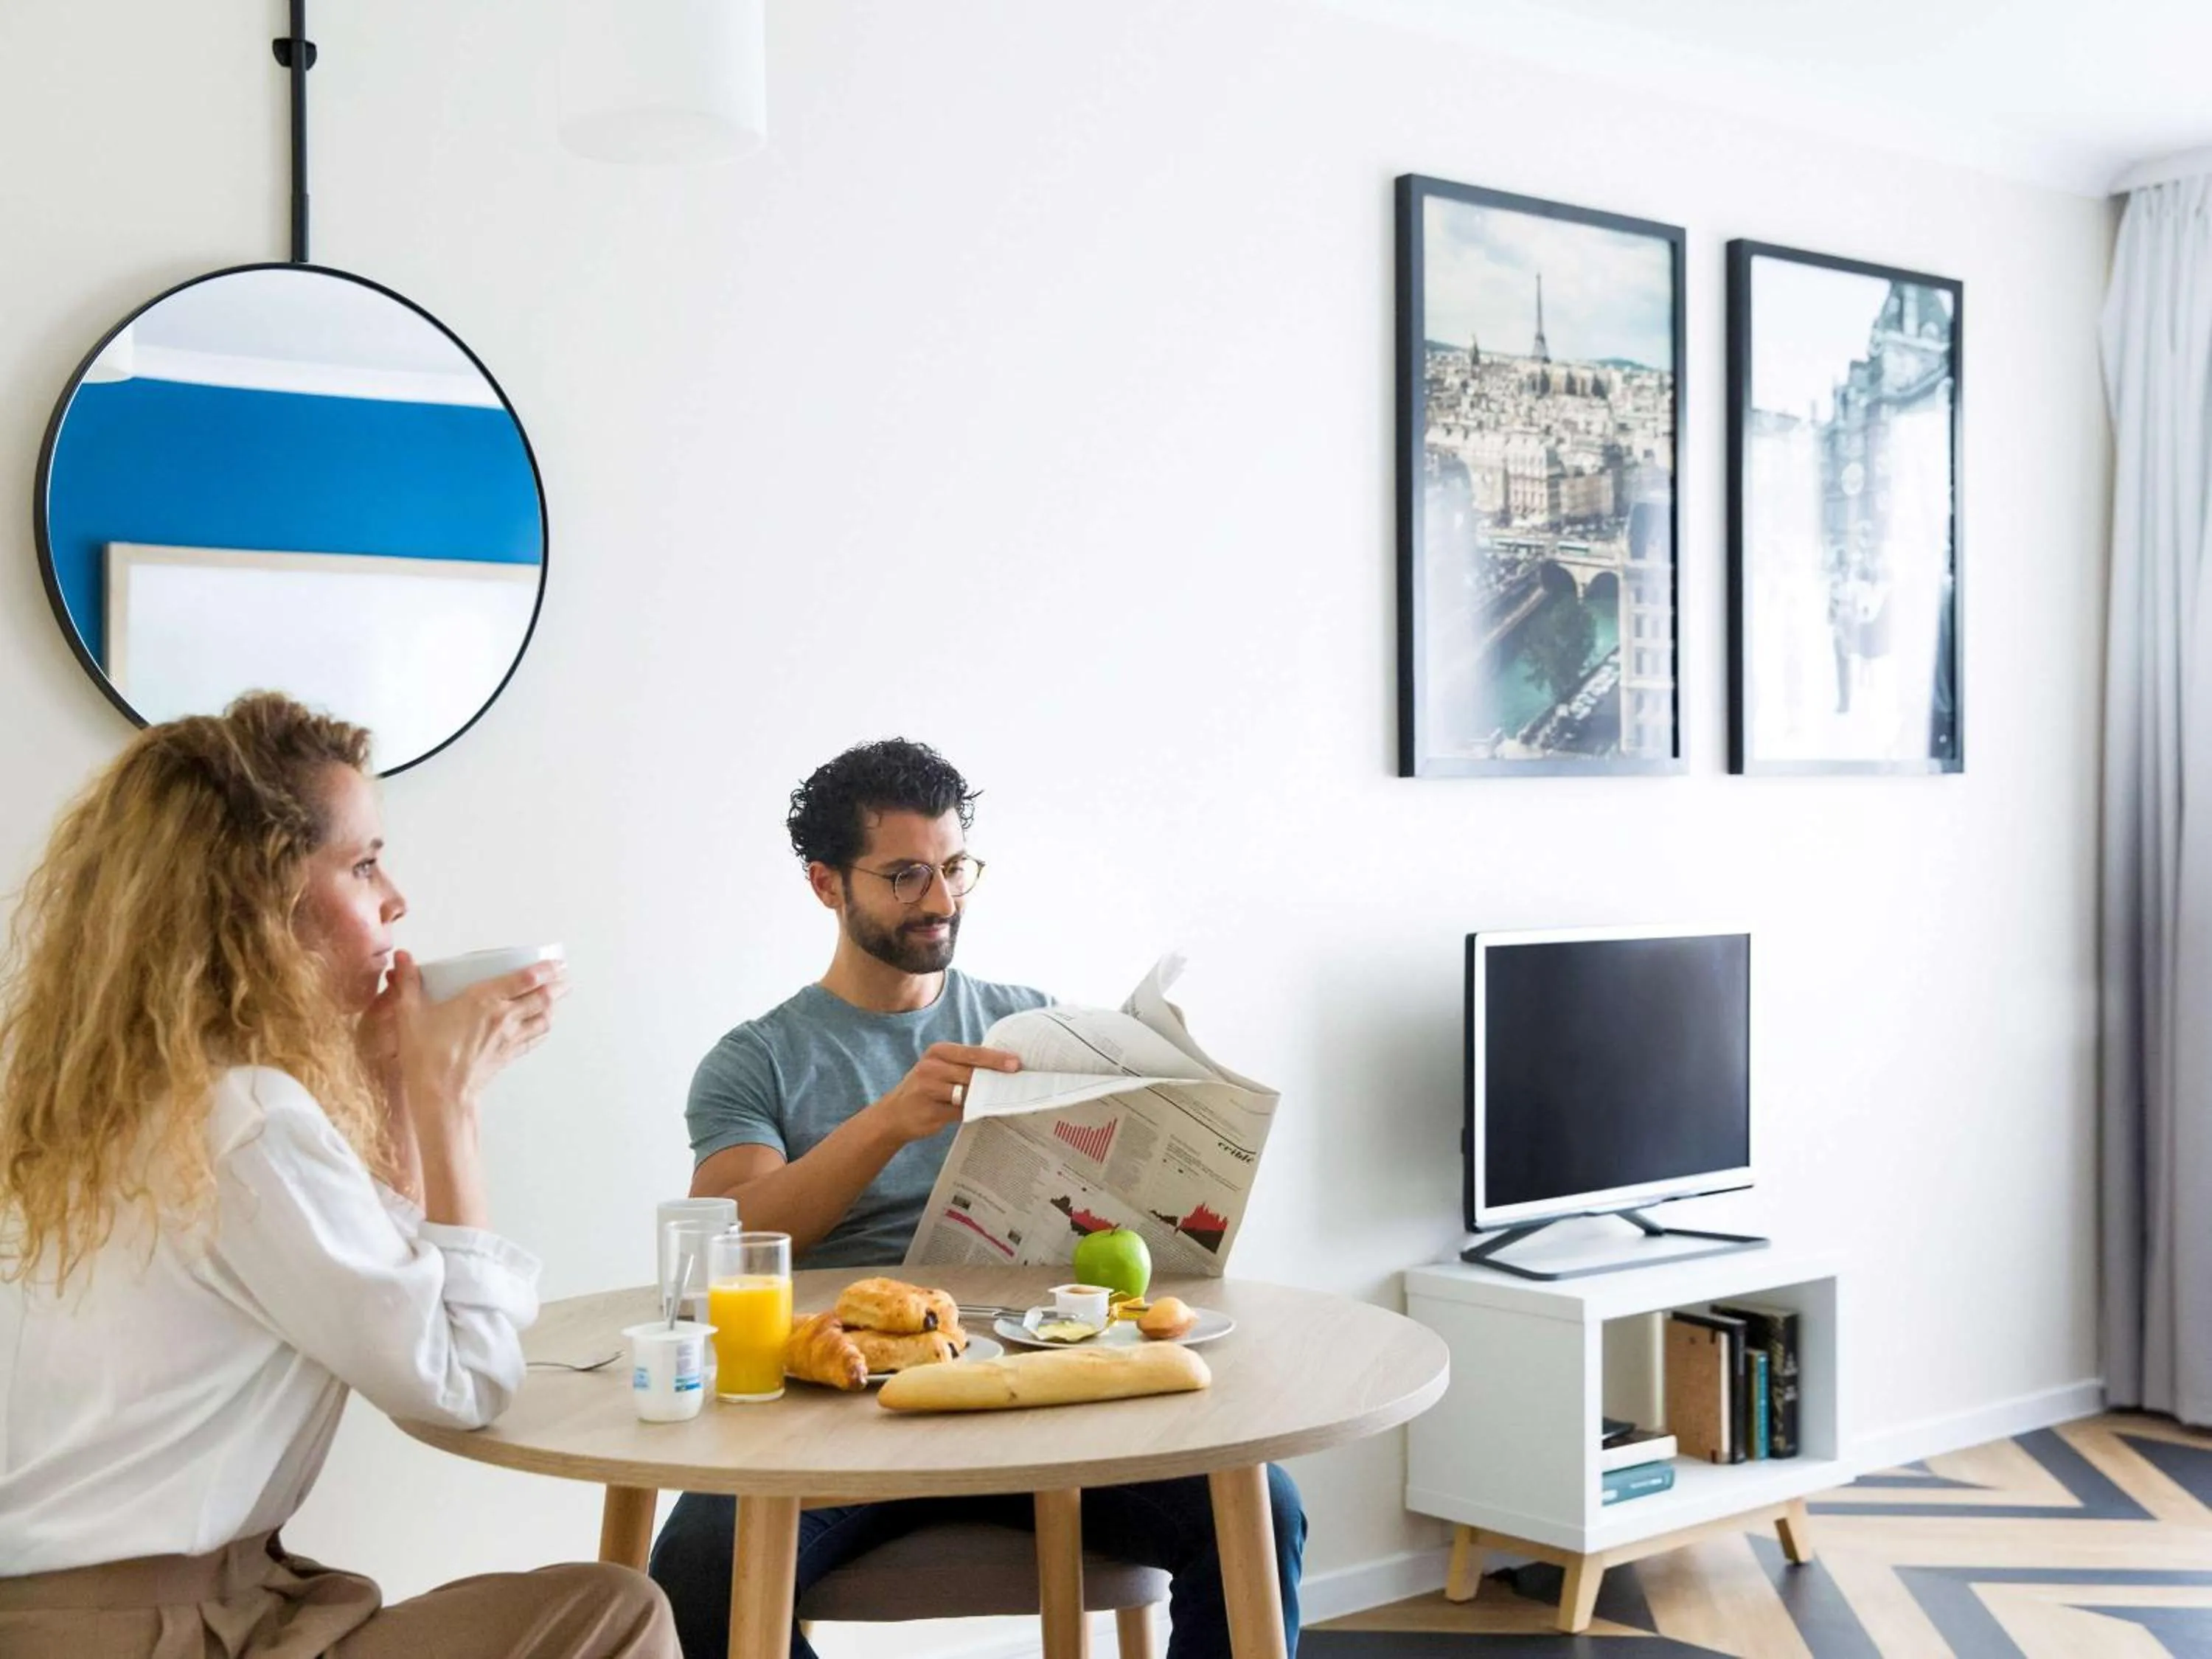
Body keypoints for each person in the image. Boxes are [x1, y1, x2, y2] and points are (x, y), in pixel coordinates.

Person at [0, 693, 676, 1659]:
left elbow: (395, 1297)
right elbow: (461, 1380)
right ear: (260, 894)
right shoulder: (248, 1120)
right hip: (156, 1633)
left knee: (602, 1603)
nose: (396, 897)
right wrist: (450, 1103)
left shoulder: (130, 1103)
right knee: (614, 1611)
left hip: (96, 1611)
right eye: (363, 865)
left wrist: (389, 1079)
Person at [647, 738, 1304, 1659]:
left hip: (1034, 1385)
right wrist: (888, 1122)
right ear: (826, 884)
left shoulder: (1029, 1025)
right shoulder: (758, 1058)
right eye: (906, 875)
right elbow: (735, 1234)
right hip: (846, 1412)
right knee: (697, 1564)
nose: (942, 901)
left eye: (955, 868)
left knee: (1262, 1508)